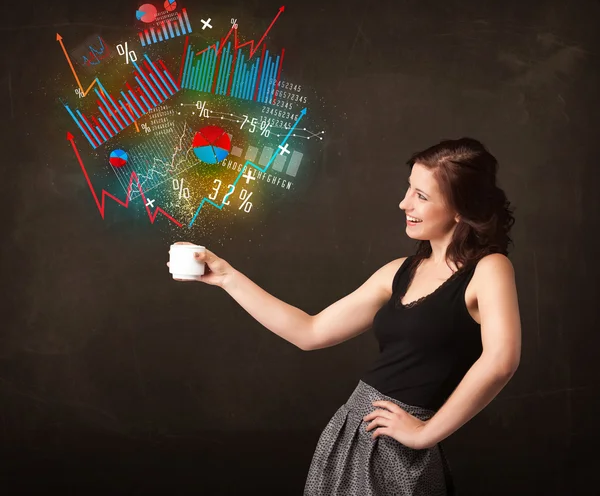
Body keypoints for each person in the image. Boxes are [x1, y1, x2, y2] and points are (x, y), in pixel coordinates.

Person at [167, 137, 522, 496]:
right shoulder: (400, 271)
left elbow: (500, 362)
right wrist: (227, 276)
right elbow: (310, 331)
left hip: (402, 446)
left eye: (422, 196)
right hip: (351, 431)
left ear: (461, 209)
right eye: (408, 189)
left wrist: (425, 433)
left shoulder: (490, 269)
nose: (404, 203)